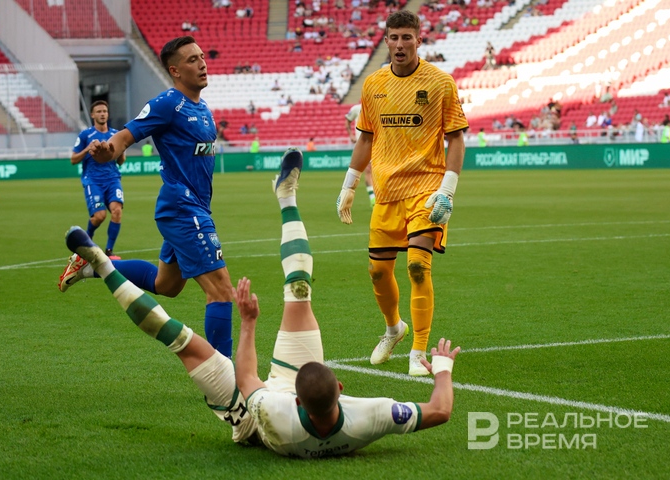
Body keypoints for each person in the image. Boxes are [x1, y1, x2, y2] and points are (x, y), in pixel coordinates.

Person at [60, 149, 460, 457]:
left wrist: (249, 323)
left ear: (303, 397)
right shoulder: (368, 417)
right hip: (285, 401)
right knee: (298, 289)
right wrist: (442, 370)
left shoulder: (275, 413)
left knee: (180, 339)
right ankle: (286, 197)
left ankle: (102, 264)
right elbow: (440, 411)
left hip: (252, 423)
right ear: (339, 390)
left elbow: (248, 378)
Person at [58, 36, 235, 360]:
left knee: (167, 285)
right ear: (175, 70)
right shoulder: (167, 104)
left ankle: (95, 265)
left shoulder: (203, 108)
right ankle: (226, 376)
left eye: (201, 56)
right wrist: (106, 151)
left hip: (193, 208)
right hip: (182, 208)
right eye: (192, 59)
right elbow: (124, 138)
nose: (202, 63)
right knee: (221, 289)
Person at [336, 10, 468, 376]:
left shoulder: (440, 83)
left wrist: (448, 191)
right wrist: (349, 185)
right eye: (393, 37)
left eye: (406, 37)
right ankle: (394, 328)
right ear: (386, 41)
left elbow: (456, 138)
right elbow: (365, 138)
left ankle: (418, 351)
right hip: (387, 193)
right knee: (378, 272)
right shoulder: (373, 84)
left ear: (418, 40)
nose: (399, 44)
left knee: (417, 266)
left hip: (426, 190)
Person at [69, 101, 125, 260]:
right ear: (92, 115)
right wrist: (87, 149)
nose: (102, 114)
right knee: (100, 216)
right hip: (93, 181)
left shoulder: (116, 134)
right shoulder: (85, 135)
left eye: (105, 111)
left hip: (112, 179)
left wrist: (120, 151)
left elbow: (121, 162)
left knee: (117, 211)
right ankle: (87, 238)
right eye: (99, 111)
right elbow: (73, 159)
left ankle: (109, 251)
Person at [345, 104, 375, 207]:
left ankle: (380, 196)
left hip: (378, 144)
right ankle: (372, 198)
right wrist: (351, 135)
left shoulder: (377, 106)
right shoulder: (356, 109)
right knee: (368, 170)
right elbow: (347, 120)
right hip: (364, 144)